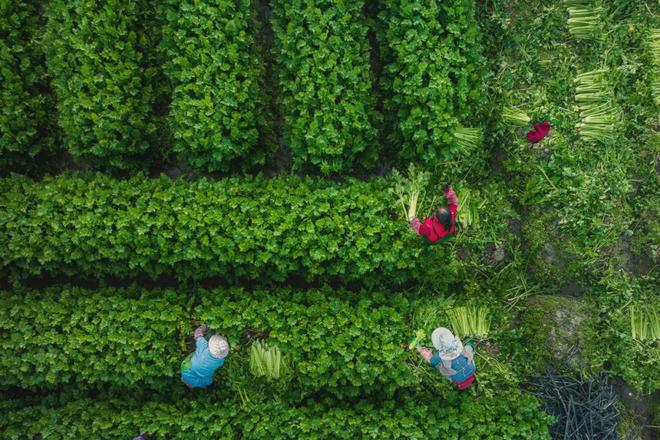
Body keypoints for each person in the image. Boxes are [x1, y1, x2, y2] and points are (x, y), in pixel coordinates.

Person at [180, 325, 229, 389]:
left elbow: (197, 334)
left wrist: (204, 327)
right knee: (207, 382)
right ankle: (208, 387)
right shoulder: (220, 361)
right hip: (203, 374)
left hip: (188, 367)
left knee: (188, 377)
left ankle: (186, 382)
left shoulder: (202, 345)